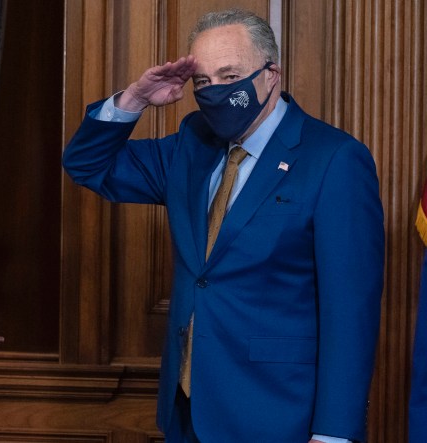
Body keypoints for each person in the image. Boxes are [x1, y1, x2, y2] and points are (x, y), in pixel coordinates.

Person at [62, 8, 383, 443]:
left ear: (272, 74)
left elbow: (350, 312)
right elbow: (87, 164)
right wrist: (134, 98)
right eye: (203, 83)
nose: (215, 93)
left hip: (280, 415)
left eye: (230, 77)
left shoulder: (334, 159)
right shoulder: (192, 145)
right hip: (188, 411)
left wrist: (334, 433)